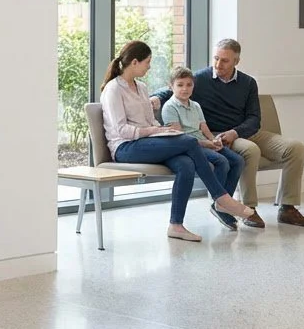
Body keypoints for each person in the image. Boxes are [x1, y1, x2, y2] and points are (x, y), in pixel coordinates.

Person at [100, 41, 254, 242]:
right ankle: (221, 197)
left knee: (186, 164)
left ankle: (176, 225)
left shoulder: (142, 87)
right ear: (135, 62)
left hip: (147, 141)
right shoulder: (113, 89)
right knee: (189, 142)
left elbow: (150, 120)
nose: (150, 66)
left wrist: (162, 129)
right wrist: (156, 130)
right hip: (125, 147)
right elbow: (122, 130)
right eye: (147, 62)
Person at [153, 39, 304, 229]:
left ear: (236, 61)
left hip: (245, 131)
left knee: (295, 148)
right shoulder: (201, 79)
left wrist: (236, 132)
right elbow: (175, 88)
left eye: (224, 61)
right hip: (218, 133)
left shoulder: (248, 83)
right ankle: (249, 208)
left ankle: (288, 208)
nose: (218, 64)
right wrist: (155, 97)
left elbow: (254, 118)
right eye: (216, 58)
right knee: (250, 150)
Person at [161, 66, 246, 231]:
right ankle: (219, 201)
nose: (185, 89)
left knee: (238, 161)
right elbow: (180, 139)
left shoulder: (196, 106)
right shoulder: (170, 107)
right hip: (189, 147)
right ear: (171, 86)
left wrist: (213, 140)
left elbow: (203, 127)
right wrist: (206, 144)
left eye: (189, 84)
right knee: (222, 162)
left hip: (204, 142)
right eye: (180, 85)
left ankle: (221, 205)